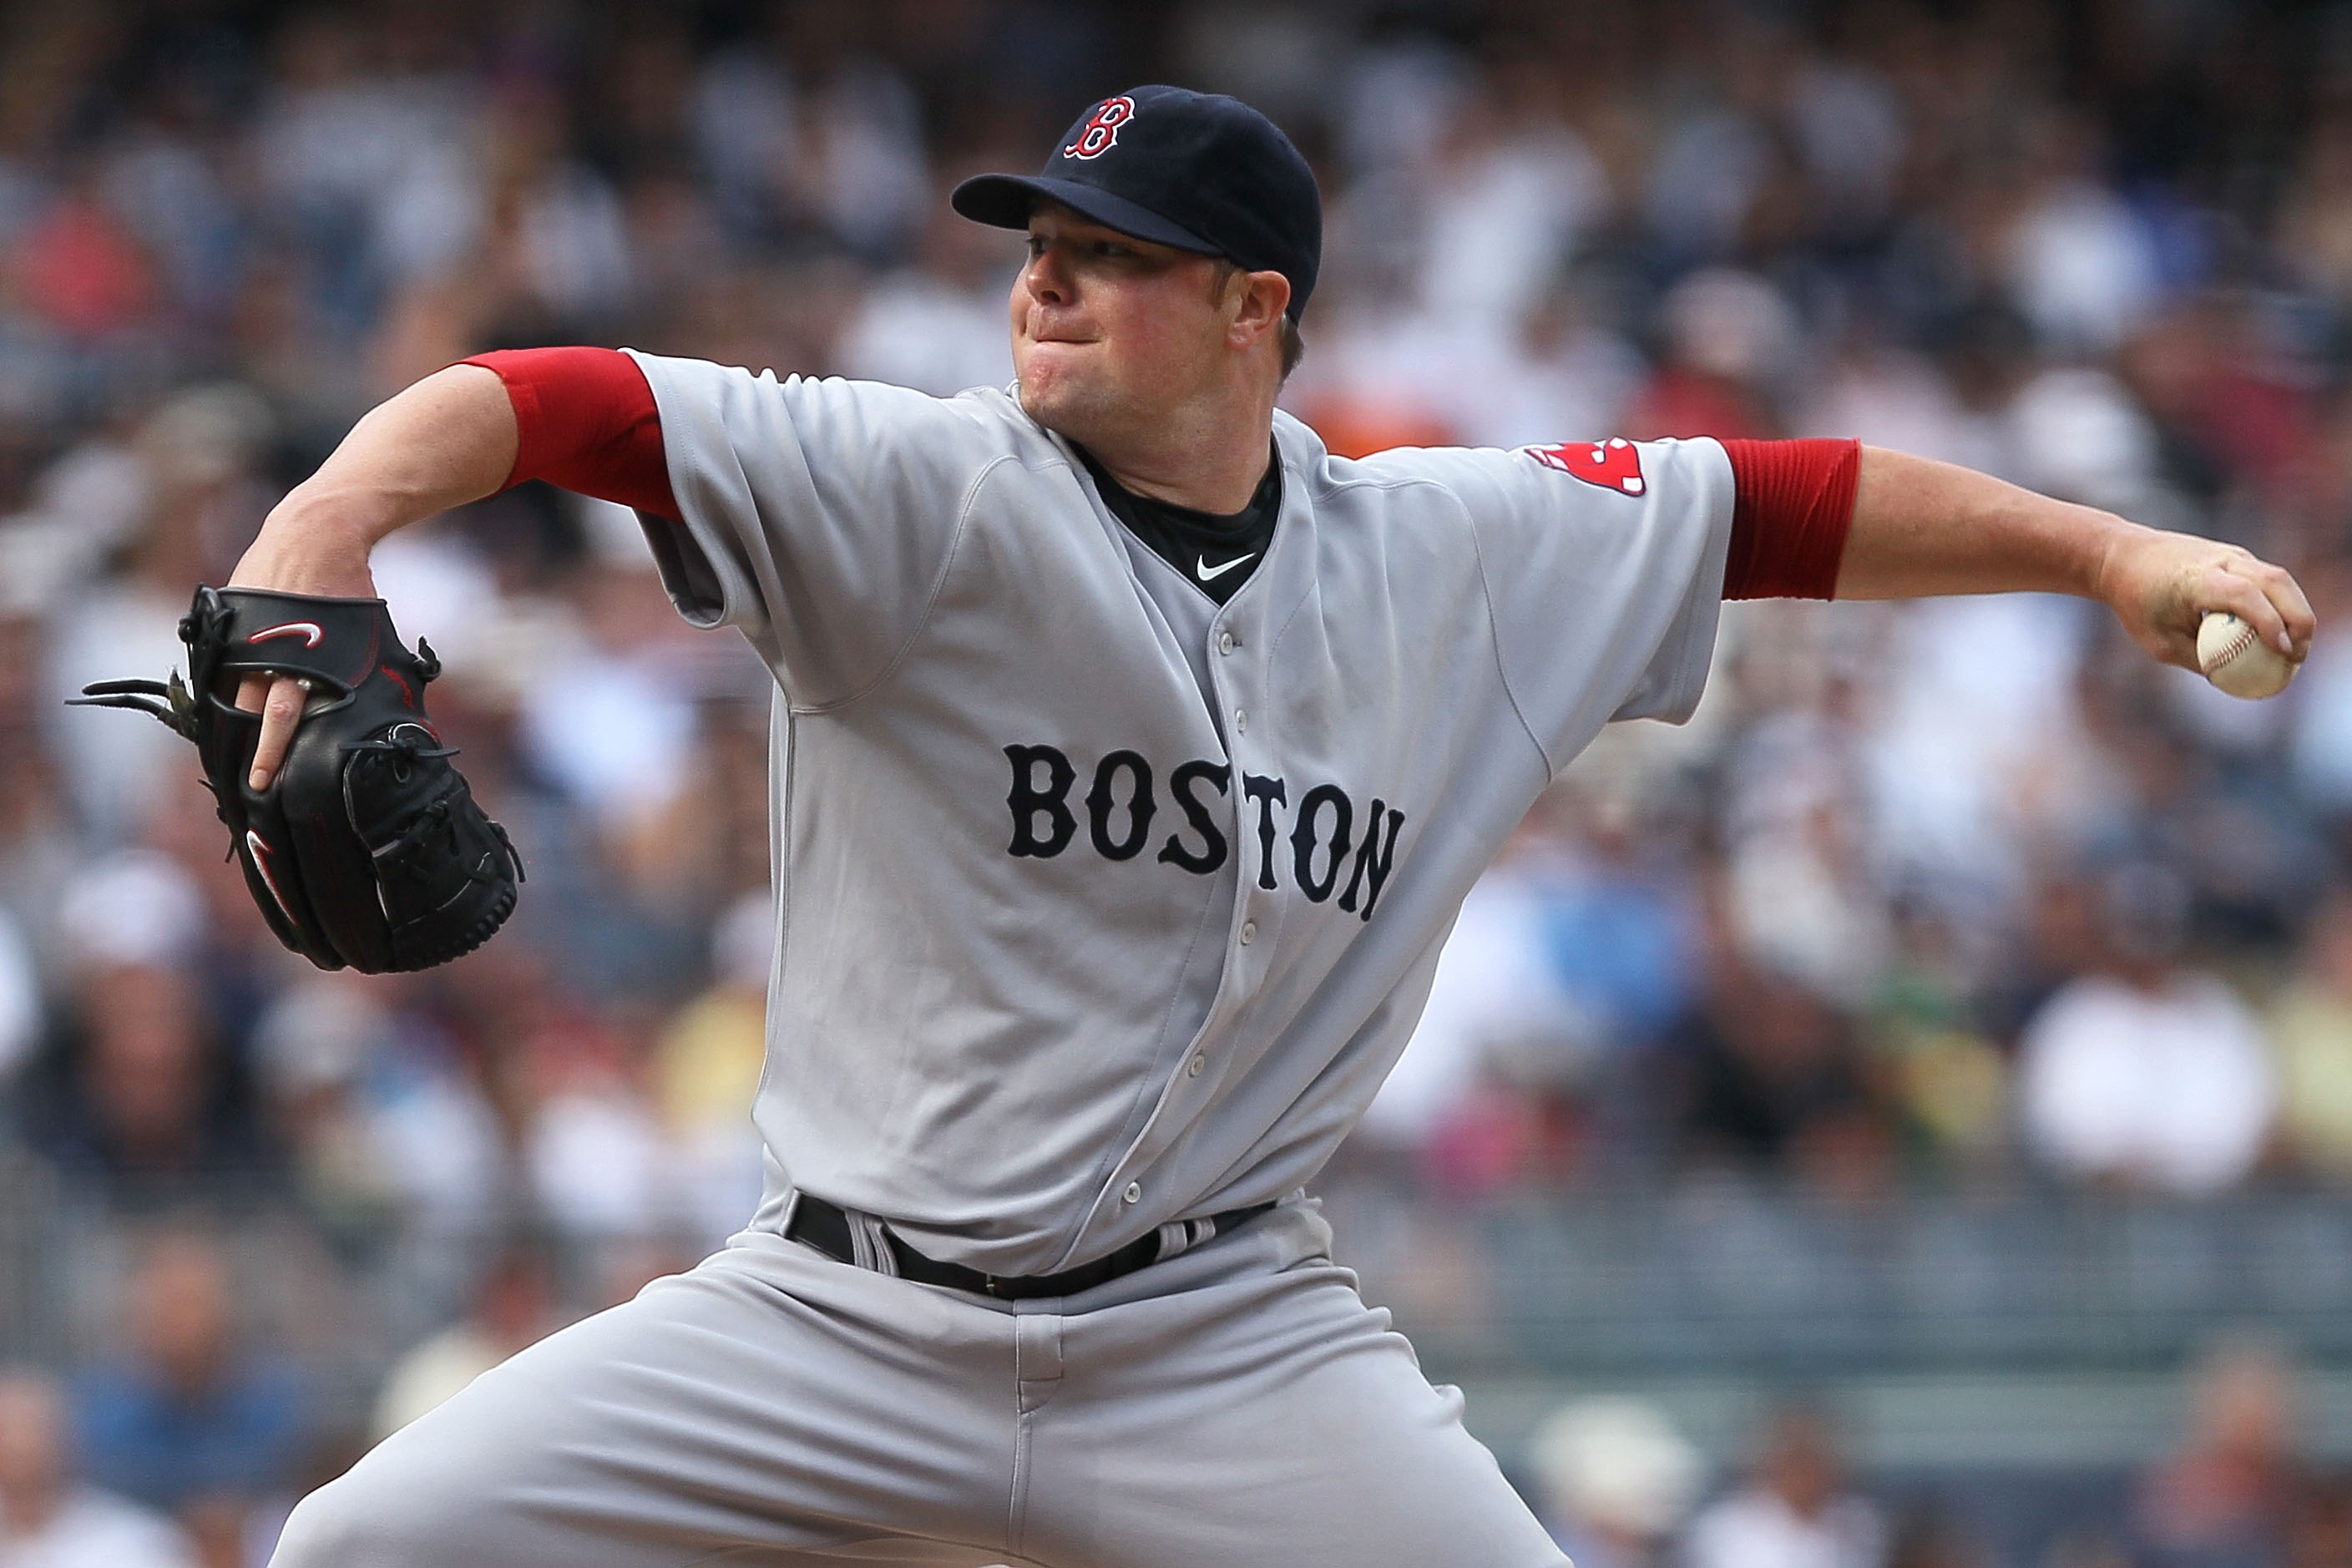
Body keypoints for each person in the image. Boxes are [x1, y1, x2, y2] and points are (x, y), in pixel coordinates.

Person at [231, 85, 2309, 1567]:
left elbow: (1783, 502)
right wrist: (323, 524)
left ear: (1253, 314)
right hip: (838, 1316)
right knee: (367, 1546)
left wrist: (2100, 549)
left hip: (1220, 1338)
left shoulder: (1451, 553)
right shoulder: (911, 489)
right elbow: (549, 395)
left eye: (1109, 262)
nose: (1043, 291)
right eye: (1035, 251)